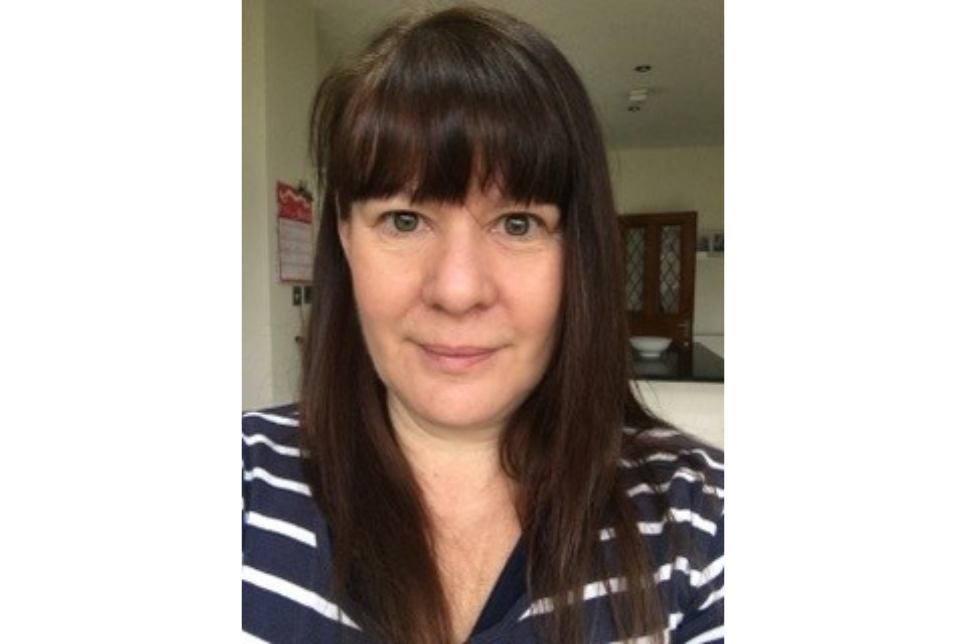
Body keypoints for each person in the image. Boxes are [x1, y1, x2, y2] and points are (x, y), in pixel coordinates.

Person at [242, 4, 724, 643]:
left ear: (577, 252)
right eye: (405, 220)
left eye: (517, 223)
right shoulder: (244, 485)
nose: (459, 290)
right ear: (345, 239)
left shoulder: (702, 520)